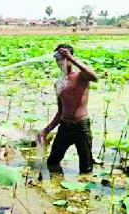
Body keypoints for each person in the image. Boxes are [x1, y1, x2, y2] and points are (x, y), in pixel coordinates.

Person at [39, 44, 98, 174]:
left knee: (86, 168)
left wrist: (72, 58)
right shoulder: (59, 83)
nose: (60, 62)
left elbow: (95, 77)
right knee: (52, 163)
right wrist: (46, 130)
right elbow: (60, 111)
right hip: (65, 127)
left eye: (63, 59)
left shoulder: (81, 76)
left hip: (81, 127)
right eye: (58, 59)